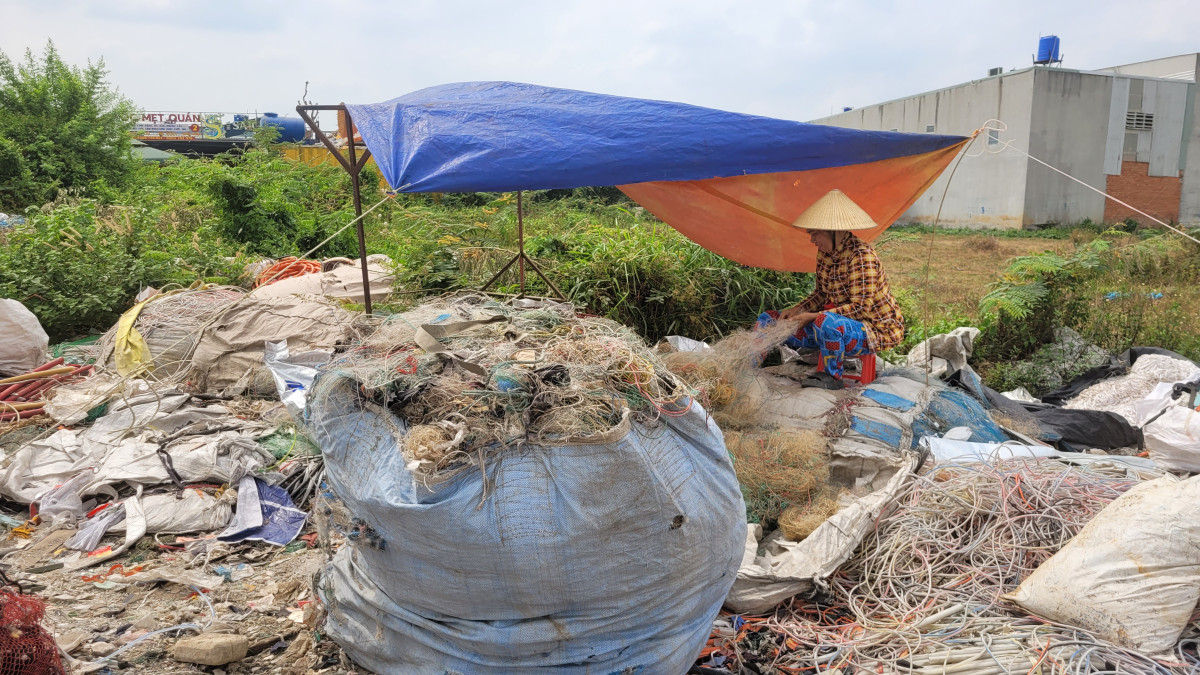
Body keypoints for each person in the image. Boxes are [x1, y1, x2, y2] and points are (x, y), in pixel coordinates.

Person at [758, 189, 904, 390]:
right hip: (830, 324)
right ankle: (747, 365)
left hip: (872, 330)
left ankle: (831, 376)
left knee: (826, 322)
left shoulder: (862, 257)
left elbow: (861, 308)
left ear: (834, 231)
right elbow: (821, 294)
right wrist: (798, 310)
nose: (812, 240)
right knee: (769, 319)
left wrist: (813, 316)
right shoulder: (825, 253)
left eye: (815, 233)